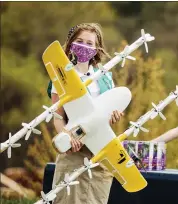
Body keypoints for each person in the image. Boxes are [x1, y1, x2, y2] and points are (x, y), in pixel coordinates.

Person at [49, 23, 123, 204]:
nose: (84, 46)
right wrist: (66, 137)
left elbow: (106, 114)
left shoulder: (105, 76)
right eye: (80, 41)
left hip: (100, 152)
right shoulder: (61, 77)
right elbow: (57, 117)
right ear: (71, 44)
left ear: (97, 48)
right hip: (73, 152)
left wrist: (114, 116)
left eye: (90, 43)